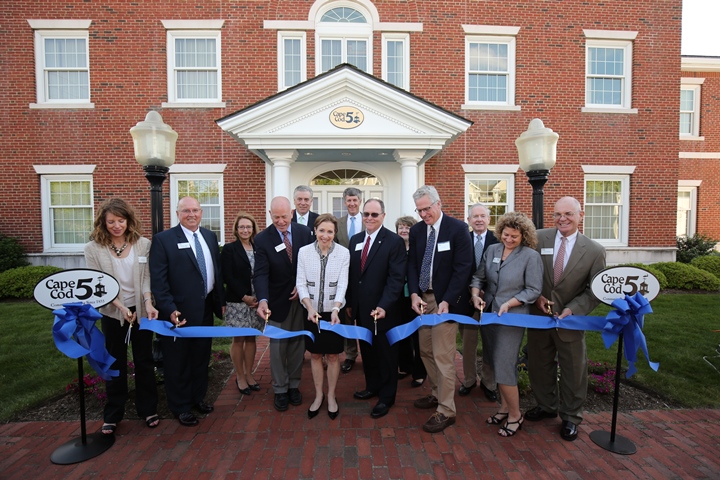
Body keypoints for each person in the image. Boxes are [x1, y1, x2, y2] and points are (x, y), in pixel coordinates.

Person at [525, 197, 606, 442]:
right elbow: (525, 270)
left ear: (580, 215)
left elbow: (595, 290)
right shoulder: (537, 238)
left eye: (568, 213)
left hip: (571, 320)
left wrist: (573, 309)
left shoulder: (594, 251)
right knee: (539, 365)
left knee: (573, 369)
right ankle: (546, 406)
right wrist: (536, 295)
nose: (562, 219)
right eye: (557, 214)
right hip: (540, 317)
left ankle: (571, 416)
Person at [84, 198, 160, 435]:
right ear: (103, 223)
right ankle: (113, 413)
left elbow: (147, 277)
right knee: (115, 363)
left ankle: (148, 409)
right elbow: (98, 285)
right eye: (111, 222)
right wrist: (120, 308)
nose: (116, 226)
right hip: (112, 312)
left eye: (121, 221)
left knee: (144, 361)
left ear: (128, 221)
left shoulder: (143, 244)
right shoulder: (93, 249)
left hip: (140, 311)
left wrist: (147, 303)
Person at [149, 196, 225, 427]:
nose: (191, 214)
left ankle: (197, 398)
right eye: (186, 211)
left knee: (200, 357)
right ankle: (180, 406)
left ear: (201, 212)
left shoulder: (210, 236)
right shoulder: (164, 240)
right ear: (177, 213)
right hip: (178, 314)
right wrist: (169, 309)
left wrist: (219, 301)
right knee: (178, 361)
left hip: (205, 309)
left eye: (195, 210)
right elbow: (159, 282)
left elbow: (216, 272)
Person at [470, 211, 543, 437]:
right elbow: (478, 277)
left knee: (504, 365)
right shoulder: (492, 250)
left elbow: (533, 290)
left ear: (524, 237)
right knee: (493, 360)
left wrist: (510, 303)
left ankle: (515, 415)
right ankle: (503, 408)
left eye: (514, 237)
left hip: (512, 317)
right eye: (505, 234)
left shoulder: (530, 256)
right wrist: (475, 295)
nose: (509, 239)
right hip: (490, 315)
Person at [407, 185, 473, 433]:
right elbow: (412, 264)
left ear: (438, 204)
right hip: (423, 300)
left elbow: (463, 268)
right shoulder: (416, 231)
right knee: (425, 350)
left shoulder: (457, 229)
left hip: (445, 301)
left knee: (443, 355)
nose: (424, 214)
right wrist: (413, 293)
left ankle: (447, 410)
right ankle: (436, 393)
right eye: (419, 210)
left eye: (427, 208)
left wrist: (449, 299)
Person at [347, 199, 406, 418]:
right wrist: (351, 303)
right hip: (361, 310)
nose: (369, 218)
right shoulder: (355, 240)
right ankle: (372, 386)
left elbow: (396, 279)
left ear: (383, 215)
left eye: (374, 214)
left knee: (386, 355)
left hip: (384, 311)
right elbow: (354, 276)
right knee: (368, 351)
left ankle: (387, 397)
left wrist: (383, 305)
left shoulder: (393, 241)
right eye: (366, 214)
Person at [254, 196, 313, 412]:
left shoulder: (304, 233)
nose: (280, 221)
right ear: (270, 214)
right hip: (276, 301)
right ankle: (280, 389)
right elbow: (260, 273)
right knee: (278, 348)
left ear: (292, 213)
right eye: (276, 217)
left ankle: (294, 386)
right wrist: (262, 300)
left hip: (301, 299)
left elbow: (309, 264)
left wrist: (302, 284)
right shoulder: (262, 239)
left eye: (284, 216)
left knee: (298, 345)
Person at [296, 214, 349, 420]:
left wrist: (336, 309)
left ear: (335, 234)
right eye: (321, 230)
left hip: (333, 311)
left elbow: (343, 284)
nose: (325, 235)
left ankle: (332, 397)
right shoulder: (304, 252)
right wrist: (308, 307)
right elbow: (301, 283)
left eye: (330, 231)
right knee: (316, 355)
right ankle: (318, 396)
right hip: (311, 312)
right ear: (315, 231)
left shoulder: (343, 253)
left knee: (334, 355)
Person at [460, 204, 499, 401]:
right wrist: (471, 291)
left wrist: (485, 291)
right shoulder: (462, 240)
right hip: (467, 301)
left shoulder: (499, 240)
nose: (479, 220)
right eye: (474, 216)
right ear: (469, 220)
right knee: (468, 343)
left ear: (489, 219)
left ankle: (489, 382)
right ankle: (468, 380)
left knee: (490, 343)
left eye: (483, 216)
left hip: (492, 301)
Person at [221, 212, 262, 395]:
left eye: (248, 227)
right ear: (236, 230)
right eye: (242, 227)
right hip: (238, 301)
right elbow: (227, 276)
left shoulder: (258, 247)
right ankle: (239, 376)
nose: (245, 230)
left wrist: (258, 297)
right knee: (238, 338)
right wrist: (244, 296)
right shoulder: (230, 249)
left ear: (253, 229)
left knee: (251, 338)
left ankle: (249, 373)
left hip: (256, 301)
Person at [394, 215, 427, 387]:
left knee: (417, 336)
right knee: (402, 334)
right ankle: (405, 366)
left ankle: (419, 372)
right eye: (401, 227)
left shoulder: (419, 249)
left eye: (407, 227)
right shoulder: (394, 248)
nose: (404, 230)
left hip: (416, 297)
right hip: (398, 298)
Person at [334, 187, 364, 374]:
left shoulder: (368, 221)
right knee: (346, 317)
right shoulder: (339, 223)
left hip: (365, 276)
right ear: (344, 202)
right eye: (349, 200)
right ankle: (350, 354)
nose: (352, 203)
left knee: (364, 316)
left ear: (360, 201)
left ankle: (369, 352)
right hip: (344, 277)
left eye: (355, 200)